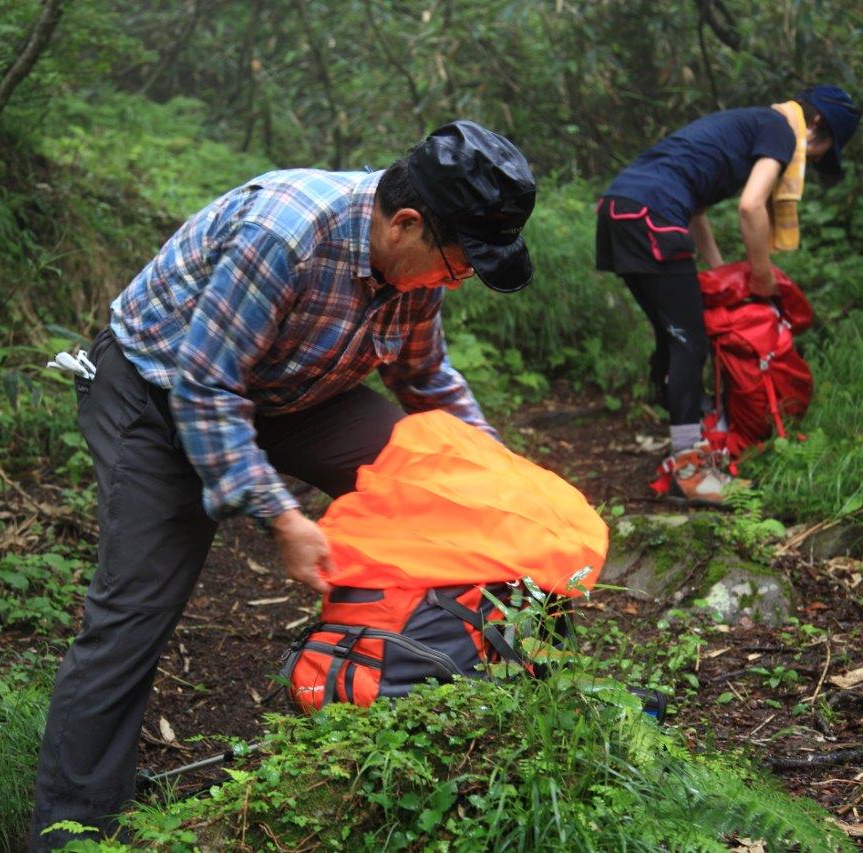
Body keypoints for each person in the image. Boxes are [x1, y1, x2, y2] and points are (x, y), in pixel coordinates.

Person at [28, 120, 537, 849]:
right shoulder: (287, 234)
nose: (457, 282)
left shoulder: (418, 264)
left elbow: (424, 379)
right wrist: (281, 514)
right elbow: (207, 385)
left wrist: (502, 476)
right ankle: (72, 828)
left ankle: (431, 674)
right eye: (457, 265)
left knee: (438, 470)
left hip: (296, 391)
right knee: (135, 609)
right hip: (161, 393)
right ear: (406, 223)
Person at [595, 85, 860, 503]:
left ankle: (688, 449)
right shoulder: (780, 130)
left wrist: (721, 272)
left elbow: (696, 209)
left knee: (674, 335)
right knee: (690, 343)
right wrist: (760, 276)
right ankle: (690, 470)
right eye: (824, 149)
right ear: (816, 126)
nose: (816, 159)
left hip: (620, 209)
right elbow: (751, 206)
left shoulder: (747, 123)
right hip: (653, 213)